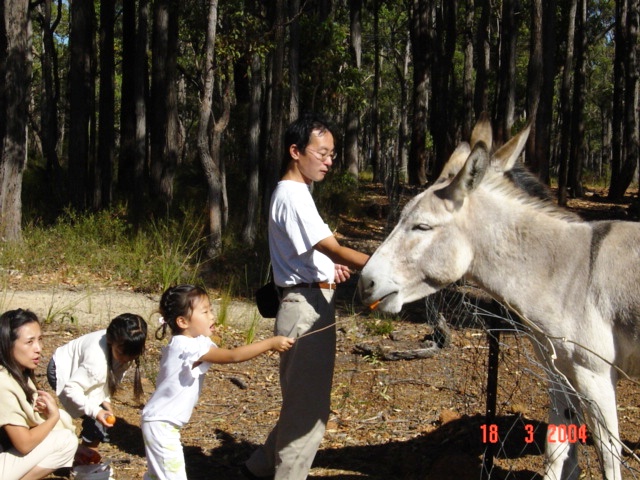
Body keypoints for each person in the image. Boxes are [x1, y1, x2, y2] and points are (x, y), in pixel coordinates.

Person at [244, 113, 370, 479]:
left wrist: (327, 271)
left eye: (332, 154)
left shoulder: (297, 193)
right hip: (305, 309)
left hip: (309, 301)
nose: (329, 162)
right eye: (323, 153)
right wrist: (381, 267)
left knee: (303, 402)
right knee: (308, 411)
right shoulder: (293, 195)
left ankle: (259, 466)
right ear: (296, 151)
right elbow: (333, 247)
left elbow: (310, 252)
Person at [141, 284, 294, 480]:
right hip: (161, 425)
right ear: (182, 321)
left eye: (211, 309)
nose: (212, 316)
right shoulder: (185, 346)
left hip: (160, 424)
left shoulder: (193, 342)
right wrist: (270, 343)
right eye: (205, 312)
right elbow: (232, 356)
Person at [47, 312, 147, 459]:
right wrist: (96, 411)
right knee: (95, 419)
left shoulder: (124, 346)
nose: (126, 359)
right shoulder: (96, 362)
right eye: (122, 353)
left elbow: (112, 378)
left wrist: (105, 400)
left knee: (99, 413)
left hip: (85, 373)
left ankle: (85, 456)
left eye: (132, 355)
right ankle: (85, 458)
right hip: (62, 369)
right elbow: (72, 388)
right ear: (110, 340)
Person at [0, 309, 77, 480]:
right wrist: (52, 418)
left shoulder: (19, 375)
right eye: (29, 342)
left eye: (39, 340)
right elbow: (24, 444)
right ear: (8, 344)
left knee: (64, 432)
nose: (38, 349)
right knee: (65, 440)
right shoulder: (2, 382)